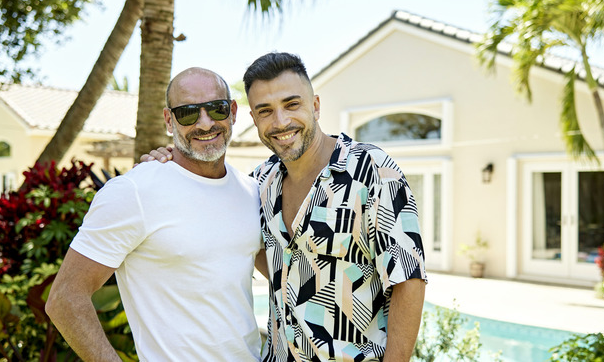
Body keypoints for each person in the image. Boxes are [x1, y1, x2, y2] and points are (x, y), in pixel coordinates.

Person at [145, 52, 427, 361]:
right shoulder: (260, 183)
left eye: (292, 104)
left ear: (315, 106)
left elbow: (408, 280)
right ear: (253, 119)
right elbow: (271, 258)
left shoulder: (372, 170)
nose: (280, 122)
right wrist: (169, 162)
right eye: (265, 111)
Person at [46, 68, 264, 361]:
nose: (205, 123)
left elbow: (284, 277)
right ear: (168, 120)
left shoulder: (252, 191)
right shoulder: (133, 192)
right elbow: (64, 299)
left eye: (217, 108)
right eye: (187, 113)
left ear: (233, 111)